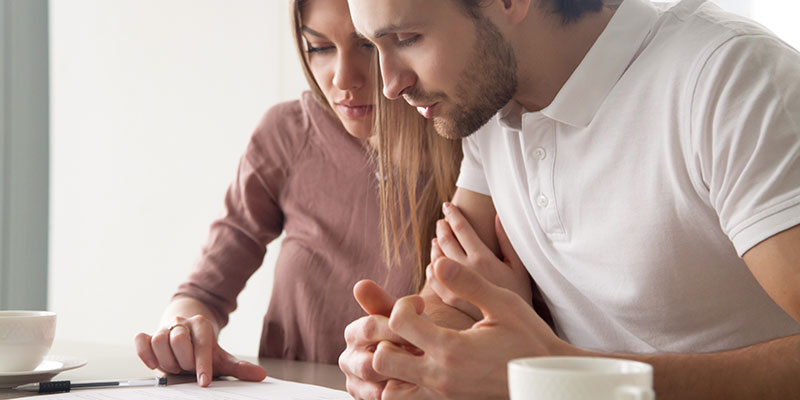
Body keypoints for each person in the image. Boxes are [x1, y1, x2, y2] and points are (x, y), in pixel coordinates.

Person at [340, 0, 800, 398]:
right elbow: (453, 301)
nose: (389, 84)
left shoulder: (728, 80)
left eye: (407, 37)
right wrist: (407, 352)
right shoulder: (489, 108)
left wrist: (564, 375)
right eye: (372, 46)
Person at [132, 0, 461, 387]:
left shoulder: (473, 152)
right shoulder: (288, 134)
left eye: (367, 46)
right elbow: (203, 291)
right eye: (319, 48)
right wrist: (181, 332)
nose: (342, 79)